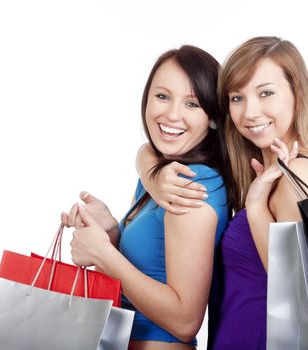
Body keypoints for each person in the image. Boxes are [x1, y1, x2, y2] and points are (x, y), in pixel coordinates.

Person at [137, 36, 308, 349]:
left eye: (265, 93)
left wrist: (257, 208)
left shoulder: (300, 174)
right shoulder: (261, 172)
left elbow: (301, 299)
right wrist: (150, 170)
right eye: (237, 98)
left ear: (297, 94)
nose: (250, 112)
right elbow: (153, 150)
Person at [61, 45, 235, 350]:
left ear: (213, 118)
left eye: (192, 104)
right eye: (163, 96)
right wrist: (111, 233)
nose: (171, 114)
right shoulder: (160, 177)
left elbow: (184, 321)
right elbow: (150, 269)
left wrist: (104, 255)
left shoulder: (190, 186)